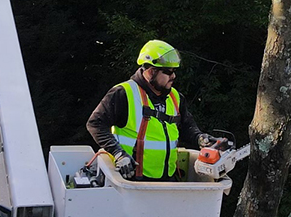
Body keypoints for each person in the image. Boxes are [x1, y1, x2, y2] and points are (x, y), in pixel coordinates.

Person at [87, 39, 217, 180]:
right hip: (132, 179)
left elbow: (187, 127)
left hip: (168, 178)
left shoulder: (175, 97)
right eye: (168, 72)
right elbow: (95, 124)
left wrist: (200, 138)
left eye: (174, 71)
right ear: (151, 71)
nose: (173, 76)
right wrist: (118, 153)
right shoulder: (123, 93)